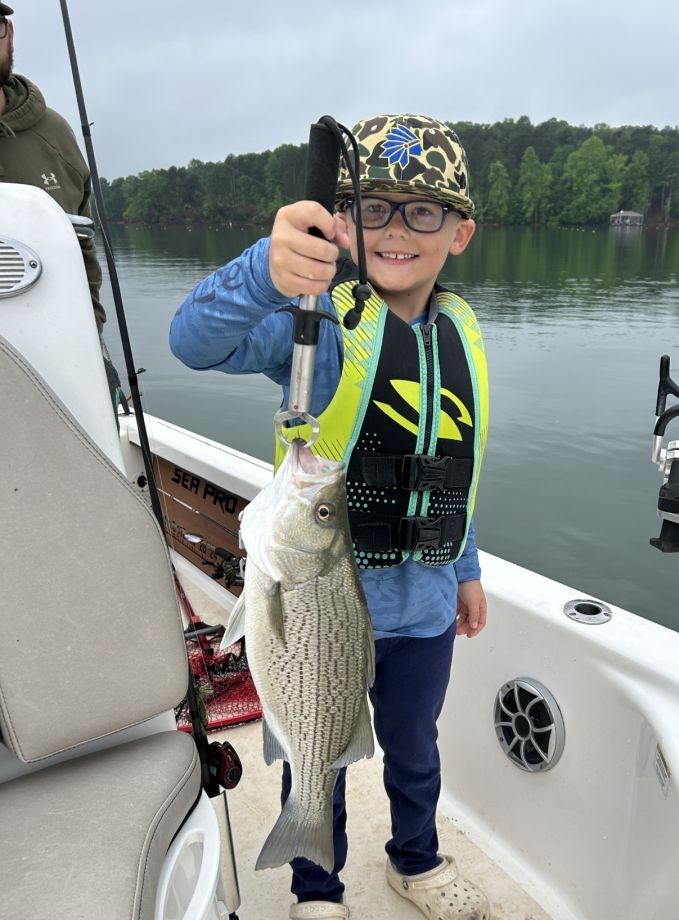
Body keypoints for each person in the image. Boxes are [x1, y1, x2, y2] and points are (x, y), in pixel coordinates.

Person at [170, 114, 490, 920]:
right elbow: (191, 342)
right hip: (315, 606)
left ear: (460, 232)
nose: (395, 230)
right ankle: (318, 886)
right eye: (374, 209)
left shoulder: (458, 333)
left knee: (415, 751)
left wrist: (467, 568)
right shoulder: (315, 325)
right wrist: (265, 273)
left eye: (422, 211)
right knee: (315, 746)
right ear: (344, 225)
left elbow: (452, 468)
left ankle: (416, 860)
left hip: (422, 611)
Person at [0, 3, 105, 335]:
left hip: (50, 355)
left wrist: (92, 342)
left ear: (9, 33)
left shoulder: (54, 133)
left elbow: (82, 250)